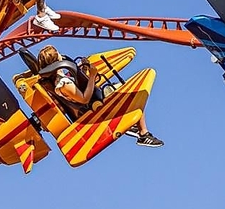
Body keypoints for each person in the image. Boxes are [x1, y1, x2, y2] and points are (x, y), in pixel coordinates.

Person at [33, 44, 162, 148]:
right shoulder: (63, 83)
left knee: (121, 88)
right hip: (94, 107)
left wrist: (83, 71)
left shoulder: (59, 79)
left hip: (93, 101)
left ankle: (134, 127)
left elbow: (78, 89)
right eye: (58, 54)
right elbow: (84, 99)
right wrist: (93, 76)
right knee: (135, 93)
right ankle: (143, 134)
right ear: (57, 60)